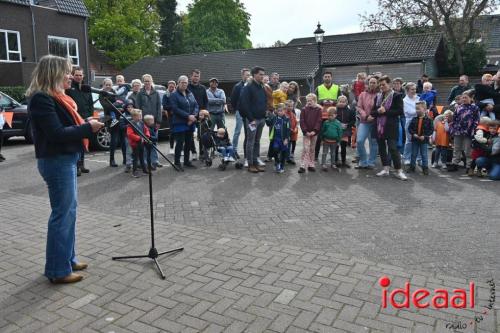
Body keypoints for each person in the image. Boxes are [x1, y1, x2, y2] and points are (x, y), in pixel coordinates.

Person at [26, 55, 104, 284]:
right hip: (56, 161)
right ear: (54, 73)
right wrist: (87, 128)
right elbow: (57, 134)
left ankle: (68, 259)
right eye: (67, 71)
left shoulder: (58, 98)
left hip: (65, 159)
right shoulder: (41, 99)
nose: (71, 76)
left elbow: (65, 127)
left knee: (69, 212)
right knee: (62, 214)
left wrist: (84, 124)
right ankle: (57, 270)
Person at [371, 75, 407, 180]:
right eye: (380, 85)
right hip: (379, 126)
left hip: (391, 126)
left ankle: (399, 171)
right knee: (381, 148)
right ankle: (385, 169)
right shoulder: (378, 96)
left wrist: (385, 111)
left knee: (393, 148)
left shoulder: (397, 96)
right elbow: (373, 112)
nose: (382, 87)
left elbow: (400, 111)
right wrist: (377, 111)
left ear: (389, 84)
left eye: (384, 84)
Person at [65, 66, 94, 176]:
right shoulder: (68, 88)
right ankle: (76, 166)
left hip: (86, 119)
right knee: (77, 142)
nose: (78, 77)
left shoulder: (87, 88)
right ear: (73, 76)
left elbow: (90, 104)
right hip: (74, 118)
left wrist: (90, 115)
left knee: (84, 143)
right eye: (76, 75)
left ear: (83, 76)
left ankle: (81, 164)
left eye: (80, 75)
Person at [239, 66, 267, 173]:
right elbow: (244, 105)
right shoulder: (248, 87)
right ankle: (250, 164)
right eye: (260, 74)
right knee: (250, 142)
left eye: (263, 74)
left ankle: (255, 162)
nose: (262, 76)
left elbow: (264, 101)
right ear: (254, 74)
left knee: (257, 142)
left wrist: (264, 115)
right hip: (252, 120)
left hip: (261, 119)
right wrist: (251, 119)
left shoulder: (261, 87)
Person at [169, 75, 199, 171]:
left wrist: (193, 116)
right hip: (179, 123)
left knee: (189, 142)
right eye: (182, 82)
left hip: (191, 122)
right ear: (178, 83)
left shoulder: (190, 93)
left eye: (186, 82)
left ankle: (186, 161)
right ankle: (177, 163)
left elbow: (196, 105)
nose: (184, 84)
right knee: (180, 143)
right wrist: (188, 116)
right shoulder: (174, 94)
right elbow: (175, 108)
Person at [448, 90, 480, 173]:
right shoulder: (458, 107)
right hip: (458, 131)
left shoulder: (475, 108)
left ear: (471, 98)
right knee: (456, 148)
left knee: (468, 150)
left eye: (466, 98)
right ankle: (455, 163)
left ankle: (469, 166)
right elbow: (454, 119)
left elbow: (477, 120)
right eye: (463, 98)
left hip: (468, 132)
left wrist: (473, 129)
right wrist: (453, 129)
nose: (464, 99)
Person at [136, 74, 162, 168]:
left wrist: (158, 121)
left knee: (154, 141)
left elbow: (159, 108)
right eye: (145, 81)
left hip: (154, 121)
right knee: (145, 142)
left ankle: (155, 160)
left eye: (148, 81)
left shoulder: (156, 93)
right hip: (144, 122)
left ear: (151, 81)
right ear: (143, 82)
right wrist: (140, 121)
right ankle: (146, 162)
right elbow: (138, 108)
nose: (147, 82)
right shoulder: (140, 93)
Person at [315, 71, 342, 161]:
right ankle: (315, 156)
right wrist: (322, 102)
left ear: (331, 77)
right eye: (325, 76)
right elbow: (314, 100)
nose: (327, 78)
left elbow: (341, 100)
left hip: (333, 115)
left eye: (328, 76)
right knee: (319, 136)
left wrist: (333, 102)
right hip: (321, 115)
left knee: (334, 135)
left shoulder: (337, 88)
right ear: (323, 78)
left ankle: (335, 157)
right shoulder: (318, 88)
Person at [355, 77, 379, 169]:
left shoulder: (380, 94)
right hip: (364, 121)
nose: (372, 84)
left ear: (377, 84)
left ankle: (371, 162)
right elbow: (359, 107)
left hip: (375, 122)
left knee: (373, 142)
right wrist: (365, 116)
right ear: (368, 84)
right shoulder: (362, 94)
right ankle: (363, 161)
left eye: (374, 82)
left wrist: (373, 116)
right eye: (371, 82)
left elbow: (381, 107)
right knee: (360, 141)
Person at [298, 93, 322, 173]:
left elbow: (319, 121)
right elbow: (302, 121)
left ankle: (311, 164)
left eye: (310, 101)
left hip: (314, 133)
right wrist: (305, 131)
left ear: (315, 101)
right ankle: (302, 165)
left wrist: (315, 131)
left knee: (312, 148)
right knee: (305, 148)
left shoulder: (318, 110)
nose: (308, 102)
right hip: (306, 133)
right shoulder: (304, 109)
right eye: (307, 101)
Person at [407, 101, 433, 175]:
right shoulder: (414, 119)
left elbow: (431, 130)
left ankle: (425, 168)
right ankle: (412, 167)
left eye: (418, 109)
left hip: (424, 140)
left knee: (424, 154)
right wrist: (413, 134)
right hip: (415, 139)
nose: (417, 110)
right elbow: (410, 128)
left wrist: (424, 136)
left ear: (424, 109)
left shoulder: (429, 119)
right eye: (416, 109)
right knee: (413, 154)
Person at [99, 78, 120, 167]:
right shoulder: (101, 94)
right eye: (106, 84)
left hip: (118, 117)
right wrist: (115, 105)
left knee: (121, 139)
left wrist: (115, 105)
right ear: (103, 85)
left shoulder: (114, 92)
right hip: (109, 118)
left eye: (109, 85)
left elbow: (120, 102)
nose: (108, 86)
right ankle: (112, 160)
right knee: (113, 139)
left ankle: (126, 160)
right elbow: (106, 106)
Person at [230, 68, 250, 159]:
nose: (248, 76)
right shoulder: (237, 86)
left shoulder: (251, 86)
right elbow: (233, 100)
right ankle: (234, 150)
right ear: (242, 75)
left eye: (249, 75)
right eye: (247, 75)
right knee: (237, 131)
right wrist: (237, 109)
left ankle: (247, 152)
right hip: (239, 112)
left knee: (248, 132)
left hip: (249, 113)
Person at [266, 103, 290, 173]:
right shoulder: (274, 118)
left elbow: (288, 130)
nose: (280, 112)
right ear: (276, 111)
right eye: (279, 111)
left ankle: (282, 166)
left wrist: (286, 139)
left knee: (283, 152)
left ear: (284, 111)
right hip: (276, 139)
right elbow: (268, 123)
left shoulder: (287, 119)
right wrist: (266, 117)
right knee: (275, 150)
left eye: (282, 111)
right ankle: (277, 162)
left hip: (284, 140)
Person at [127, 109, 150, 178]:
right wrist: (139, 138)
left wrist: (147, 136)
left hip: (142, 143)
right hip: (135, 144)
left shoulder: (141, 123)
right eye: (139, 116)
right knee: (135, 158)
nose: (140, 117)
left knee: (142, 157)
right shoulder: (130, 124)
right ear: (134, 117)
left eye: (140, 115)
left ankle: (144, 170)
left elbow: (146, 130)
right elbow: (130, 134)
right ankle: (134, 171)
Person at [335, 95, 356, 168]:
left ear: (346, 102)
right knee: (336, 147)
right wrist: (338, 124)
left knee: (343, 146)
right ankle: (336, 161)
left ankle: (343, 162)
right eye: (340, 102)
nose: (341, 103)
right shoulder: (335, 110)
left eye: (343, 102)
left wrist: (347, 125)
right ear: (337, 102)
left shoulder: (351, 111)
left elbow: (353, 120)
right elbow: (331, 119)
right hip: (336, 131)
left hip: (345, 131)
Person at [402, 82, 420, 165]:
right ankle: (407, 158)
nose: (414, 91)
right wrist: (419, 111)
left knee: (419, 140)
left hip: (419, 121)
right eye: (412, 89)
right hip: (409, 122)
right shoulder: (404, 101)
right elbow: (408, 112)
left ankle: (418, 158)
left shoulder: (418, 98)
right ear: (407, 90)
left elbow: (424, 108)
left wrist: (420, 111)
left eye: (415, 89)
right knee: (409, 141)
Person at [320, 107, 343, 172]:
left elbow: (340, 132)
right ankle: (323, 164)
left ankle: (333, 164)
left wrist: (338, 141)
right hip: (326, 141)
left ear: (335, 115)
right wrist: (322, 139)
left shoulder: (338, 123)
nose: (330, 117)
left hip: (334, 141)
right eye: (329, 115)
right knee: (324, 153)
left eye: (331, 115)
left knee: (333, 153)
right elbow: (322, 131)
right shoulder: (326, 122)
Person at [162, 80, 176, 155]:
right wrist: (173, 107)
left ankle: (181, 148)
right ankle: (171, 147)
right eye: (170, 87)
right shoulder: (165, 95)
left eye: (173, 87)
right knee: (172, 132)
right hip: (171, 116)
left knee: (180, 132)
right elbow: (164, 106)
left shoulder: (177, 94)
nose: (171, 88)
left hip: (178, 115)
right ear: (168, 86)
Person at [120, 101, 134, 173]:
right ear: (126, 108)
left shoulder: (135, 114)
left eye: (131, 107)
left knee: (137, 150)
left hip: (136, 135)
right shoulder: (123, 115)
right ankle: (128, 165)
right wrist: (129, 125)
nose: (130, 108)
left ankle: (137, 164)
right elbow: (122, 127)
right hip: (128, 136)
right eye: (128, 107)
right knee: (129, 151)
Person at [284, 100, 298, 164]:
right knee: (285, 145)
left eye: (291, 106)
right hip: (286, 133)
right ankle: (283, 158)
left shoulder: (293, 114)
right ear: (285, 106)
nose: (290, 107)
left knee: (289, 145)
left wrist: (295, 128)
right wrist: (291, 129)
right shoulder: (284, 114)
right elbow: (285, 124)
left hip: (292, 132)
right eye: (288, 106)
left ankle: (288, 158)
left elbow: (295, 122)